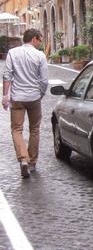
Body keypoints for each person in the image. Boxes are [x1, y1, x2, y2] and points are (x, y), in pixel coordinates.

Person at [2, 29, 48, 178]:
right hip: (34, 97)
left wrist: (5, 96)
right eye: (40, 40)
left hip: (17, 98)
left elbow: (7, 75)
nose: (40, 43)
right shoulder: (40, 55)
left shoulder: (12, 53)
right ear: (34, 39)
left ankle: (23, 159)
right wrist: (40, 94)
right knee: (34, 129)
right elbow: (44, 80)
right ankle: (32, 162)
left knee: (16, 130)